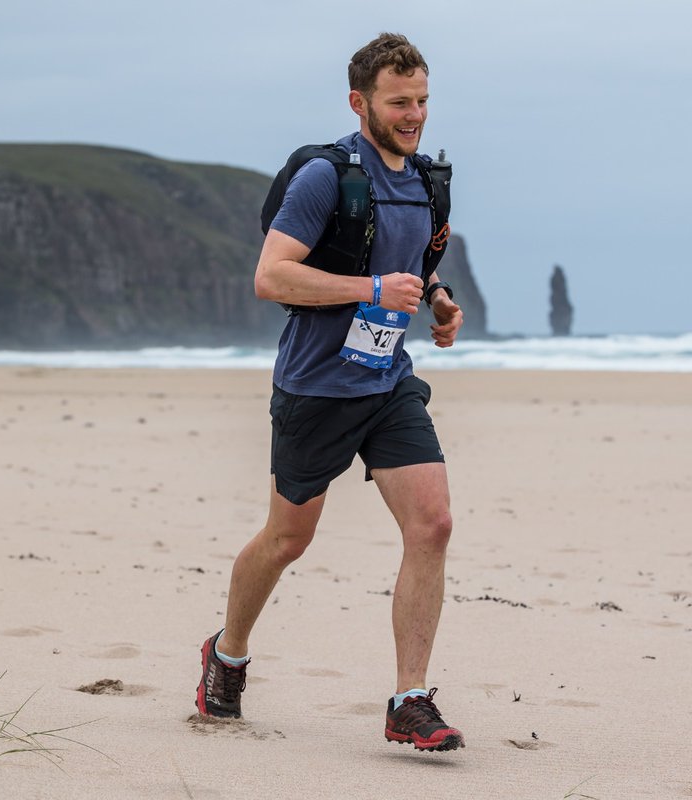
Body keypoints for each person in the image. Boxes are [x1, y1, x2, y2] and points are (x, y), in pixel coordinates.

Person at [195, 32, 466, 753]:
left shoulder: (427, 182)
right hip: (316, 385)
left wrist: (436, 300)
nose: (414, 116)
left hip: (388, 384)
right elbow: (272, 277)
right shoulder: (326, 176)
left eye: (423, 101)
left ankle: (410, 700)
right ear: (360, 102)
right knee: (288, 538)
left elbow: (414, 264)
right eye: (399, 102)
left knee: (433, 525)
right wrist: (373, 289)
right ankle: (227, 655)